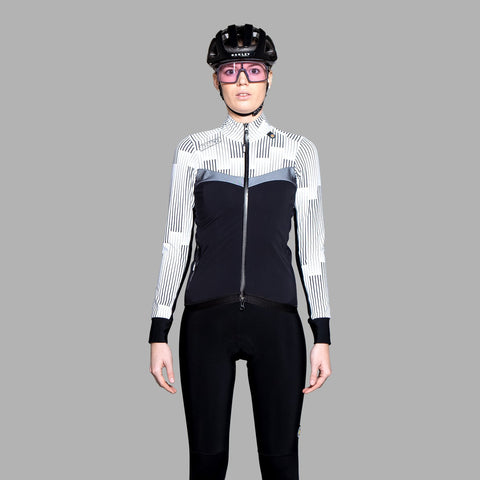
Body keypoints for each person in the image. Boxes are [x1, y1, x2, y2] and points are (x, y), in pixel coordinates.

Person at [149, 24, 332, 480]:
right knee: (207, 464)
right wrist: (158, 331)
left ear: (270, 77)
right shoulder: (193, 150)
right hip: (206, 324)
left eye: (254, 69)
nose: (243, 80)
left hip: (278, 323)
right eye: (231, 71)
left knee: (281, 464)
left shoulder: (299, 152)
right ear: (216, 80)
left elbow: (312, 247)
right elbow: (176, 240)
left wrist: (322, 333)